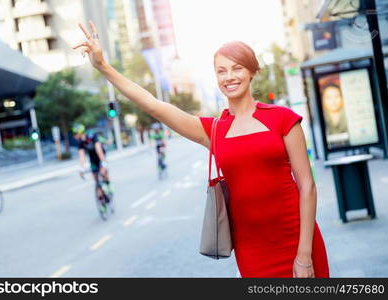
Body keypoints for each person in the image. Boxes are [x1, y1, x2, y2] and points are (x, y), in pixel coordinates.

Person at [74, 22, 329, 278]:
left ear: (252, 72)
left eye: (237, 68)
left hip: (297, 238)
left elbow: (307, 186)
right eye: (221, 71)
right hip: (251, 248)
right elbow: (153, 106)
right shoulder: (214, 130)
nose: (229, 77)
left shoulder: (283, 119)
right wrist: (103, 67)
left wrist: (304, 255)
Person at [72, 124, 112, 195]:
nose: (74, 136)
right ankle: (101, 199)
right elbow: (82, 155)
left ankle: (109, 185)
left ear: (80, 133)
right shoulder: (80, 142)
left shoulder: (92, 136)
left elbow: (98, 149)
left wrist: (103, 162)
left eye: (75, 134)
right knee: (95, 178)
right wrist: (81, 168)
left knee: (103, 172)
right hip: (92, 158)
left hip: (101, 155)